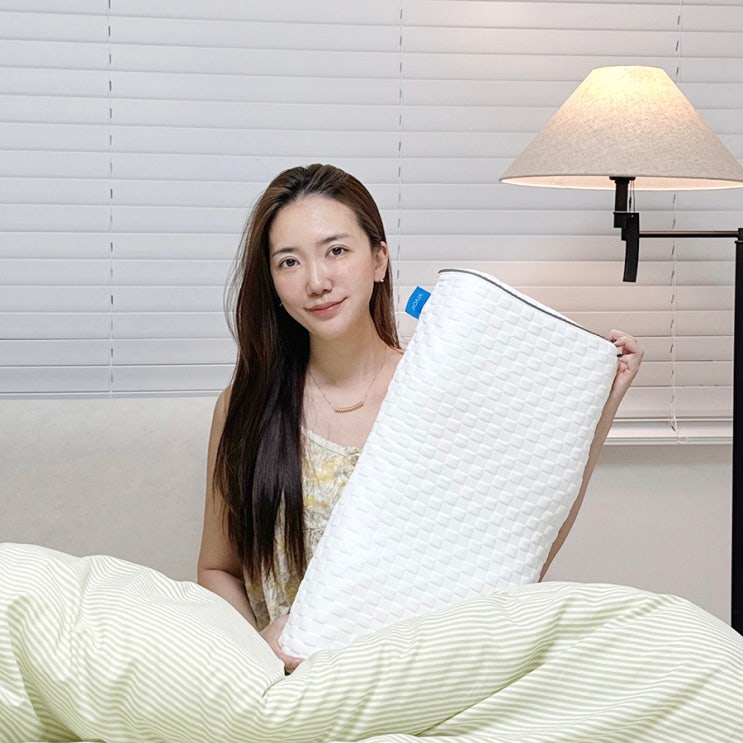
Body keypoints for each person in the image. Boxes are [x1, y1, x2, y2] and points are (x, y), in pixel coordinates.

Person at [197, 163, 644, 672]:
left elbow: (523, 548)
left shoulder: (442, 389)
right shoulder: (244, 408)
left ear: (379, 259)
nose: (317, 281)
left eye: (336, 251)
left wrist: (599, 410)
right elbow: (217, 568)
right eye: (289, 262)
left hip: (430, 672)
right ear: (273, 282)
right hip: (290, 682)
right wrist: (259, 653)